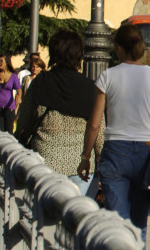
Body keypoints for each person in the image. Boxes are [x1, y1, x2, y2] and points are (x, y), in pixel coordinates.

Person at [80, 24, 150, 246]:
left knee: (117, 221)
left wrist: (86, 157)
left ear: (118, 48)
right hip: (148, 152)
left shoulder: (107, 76)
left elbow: (95, 124)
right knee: (139, 222)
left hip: (116, 150)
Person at [15, 31, 103, 195]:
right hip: (80, 165)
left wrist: (19, 141)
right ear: (79, 55)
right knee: (75, 216)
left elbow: (24, 121)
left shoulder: (40, 82)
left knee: (45, 216)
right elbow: (98, 129)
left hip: (45, 161)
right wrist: (99, 161)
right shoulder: (91, 88)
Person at [0, 55, 21, 131]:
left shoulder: (14, 76)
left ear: (7, 62)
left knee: (9, 130)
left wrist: (17, 101)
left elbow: (19, 90)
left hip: (9, 107)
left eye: (1, 61)